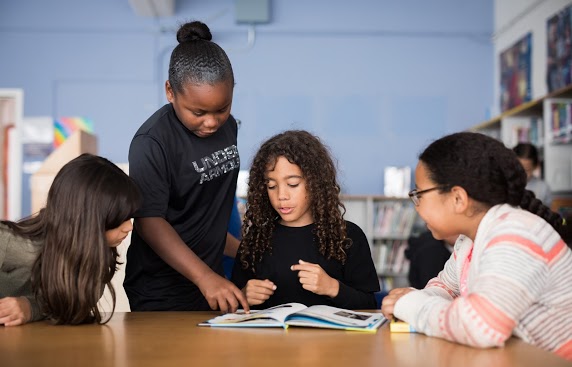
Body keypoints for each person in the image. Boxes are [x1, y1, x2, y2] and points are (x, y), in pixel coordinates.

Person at [381, 132, 572, 360]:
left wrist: (412, 306)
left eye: (419, 194)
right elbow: (447, 287)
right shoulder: (468, 239)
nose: (416, 205)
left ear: (458, 199)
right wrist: (419, 297)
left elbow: (482, 327)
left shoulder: (516, 234)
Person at [124, 20, 249, 313]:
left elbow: (204, 215)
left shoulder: (228, 127)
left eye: (222, 108)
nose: (212, 122)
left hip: (211, 278)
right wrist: (204, 277)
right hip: (162, 288)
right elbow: (149, 221)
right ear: (170, 91)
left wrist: (243, 252)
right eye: (198, 112)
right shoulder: (152, 142)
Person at [232, 130, 380, 309]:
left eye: (293, 184)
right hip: (268, 337)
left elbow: (369, 305)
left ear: (315, 183)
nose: (281, 196)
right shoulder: (256, 238)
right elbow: (235, 302)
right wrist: (243, 296)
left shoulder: (348, 236)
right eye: (271, 186)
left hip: (331, 338)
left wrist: (333, 288)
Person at [0, 153, 140, 326]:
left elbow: (65, 307)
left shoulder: (95, 263)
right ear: (86, 219)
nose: (129, 227)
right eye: (119, 218)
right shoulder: (10, 243)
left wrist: (30, 307)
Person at [513, 142, 553, 207]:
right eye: (519, 169)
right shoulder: (503, 186)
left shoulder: (543, 188)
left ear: (535, 166)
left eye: (527, 170)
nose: (522, 174)